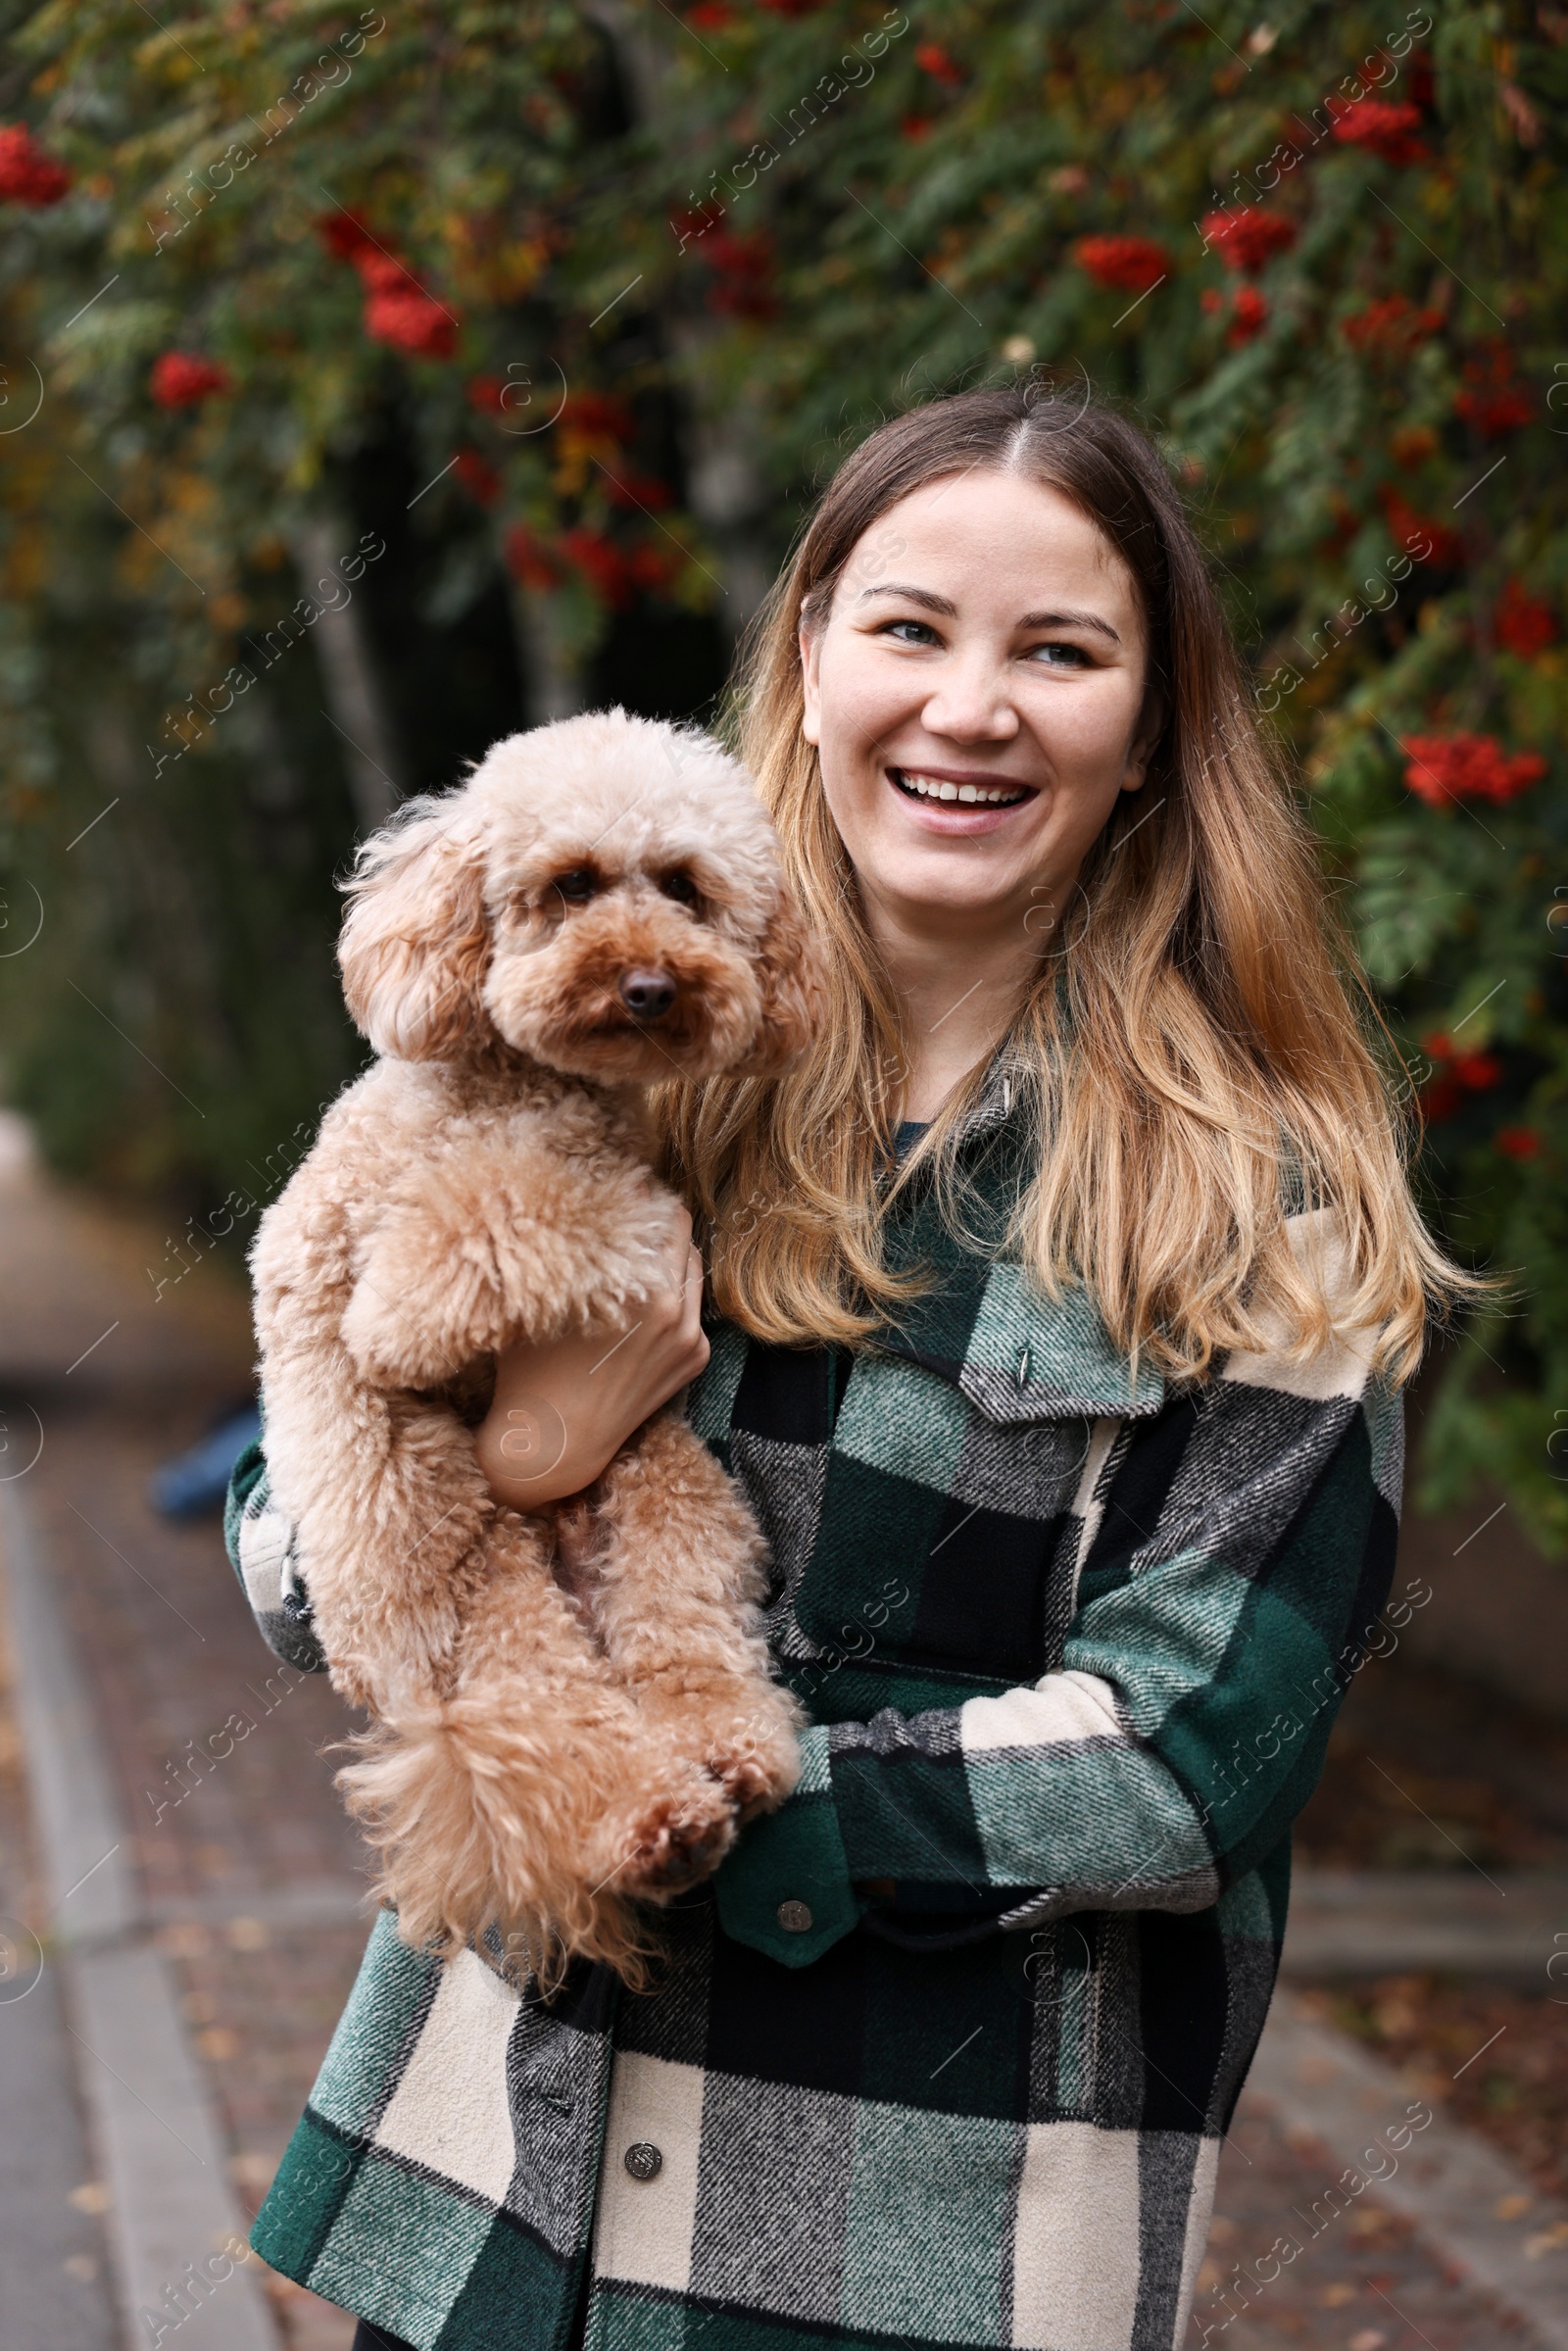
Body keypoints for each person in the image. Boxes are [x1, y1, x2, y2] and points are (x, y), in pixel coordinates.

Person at [225, 383, 1461, 2351]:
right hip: (480, 2211)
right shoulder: (591, 1060)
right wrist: (528, 1459)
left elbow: (1186, 1749)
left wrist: (694, 1810)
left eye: (1055, 652)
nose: (967, 708)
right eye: (907, 628)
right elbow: (292, 1560)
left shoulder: (1261, 1199)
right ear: (807, 664)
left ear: (1146, 730)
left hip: (904, 2244)